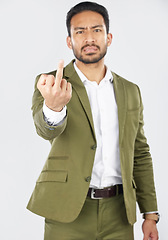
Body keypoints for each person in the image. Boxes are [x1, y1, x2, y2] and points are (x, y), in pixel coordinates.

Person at [27, 2, 159, 239]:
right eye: (80, 32)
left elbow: (139, 152)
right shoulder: (51, 84)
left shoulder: (130, 90)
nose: (89, 38)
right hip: (67, 211)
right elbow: (44, 129)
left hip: (119, 214)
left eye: (96, 30)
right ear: (69, 41)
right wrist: (54, 107)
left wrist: (150, 214)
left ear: (108, 37)